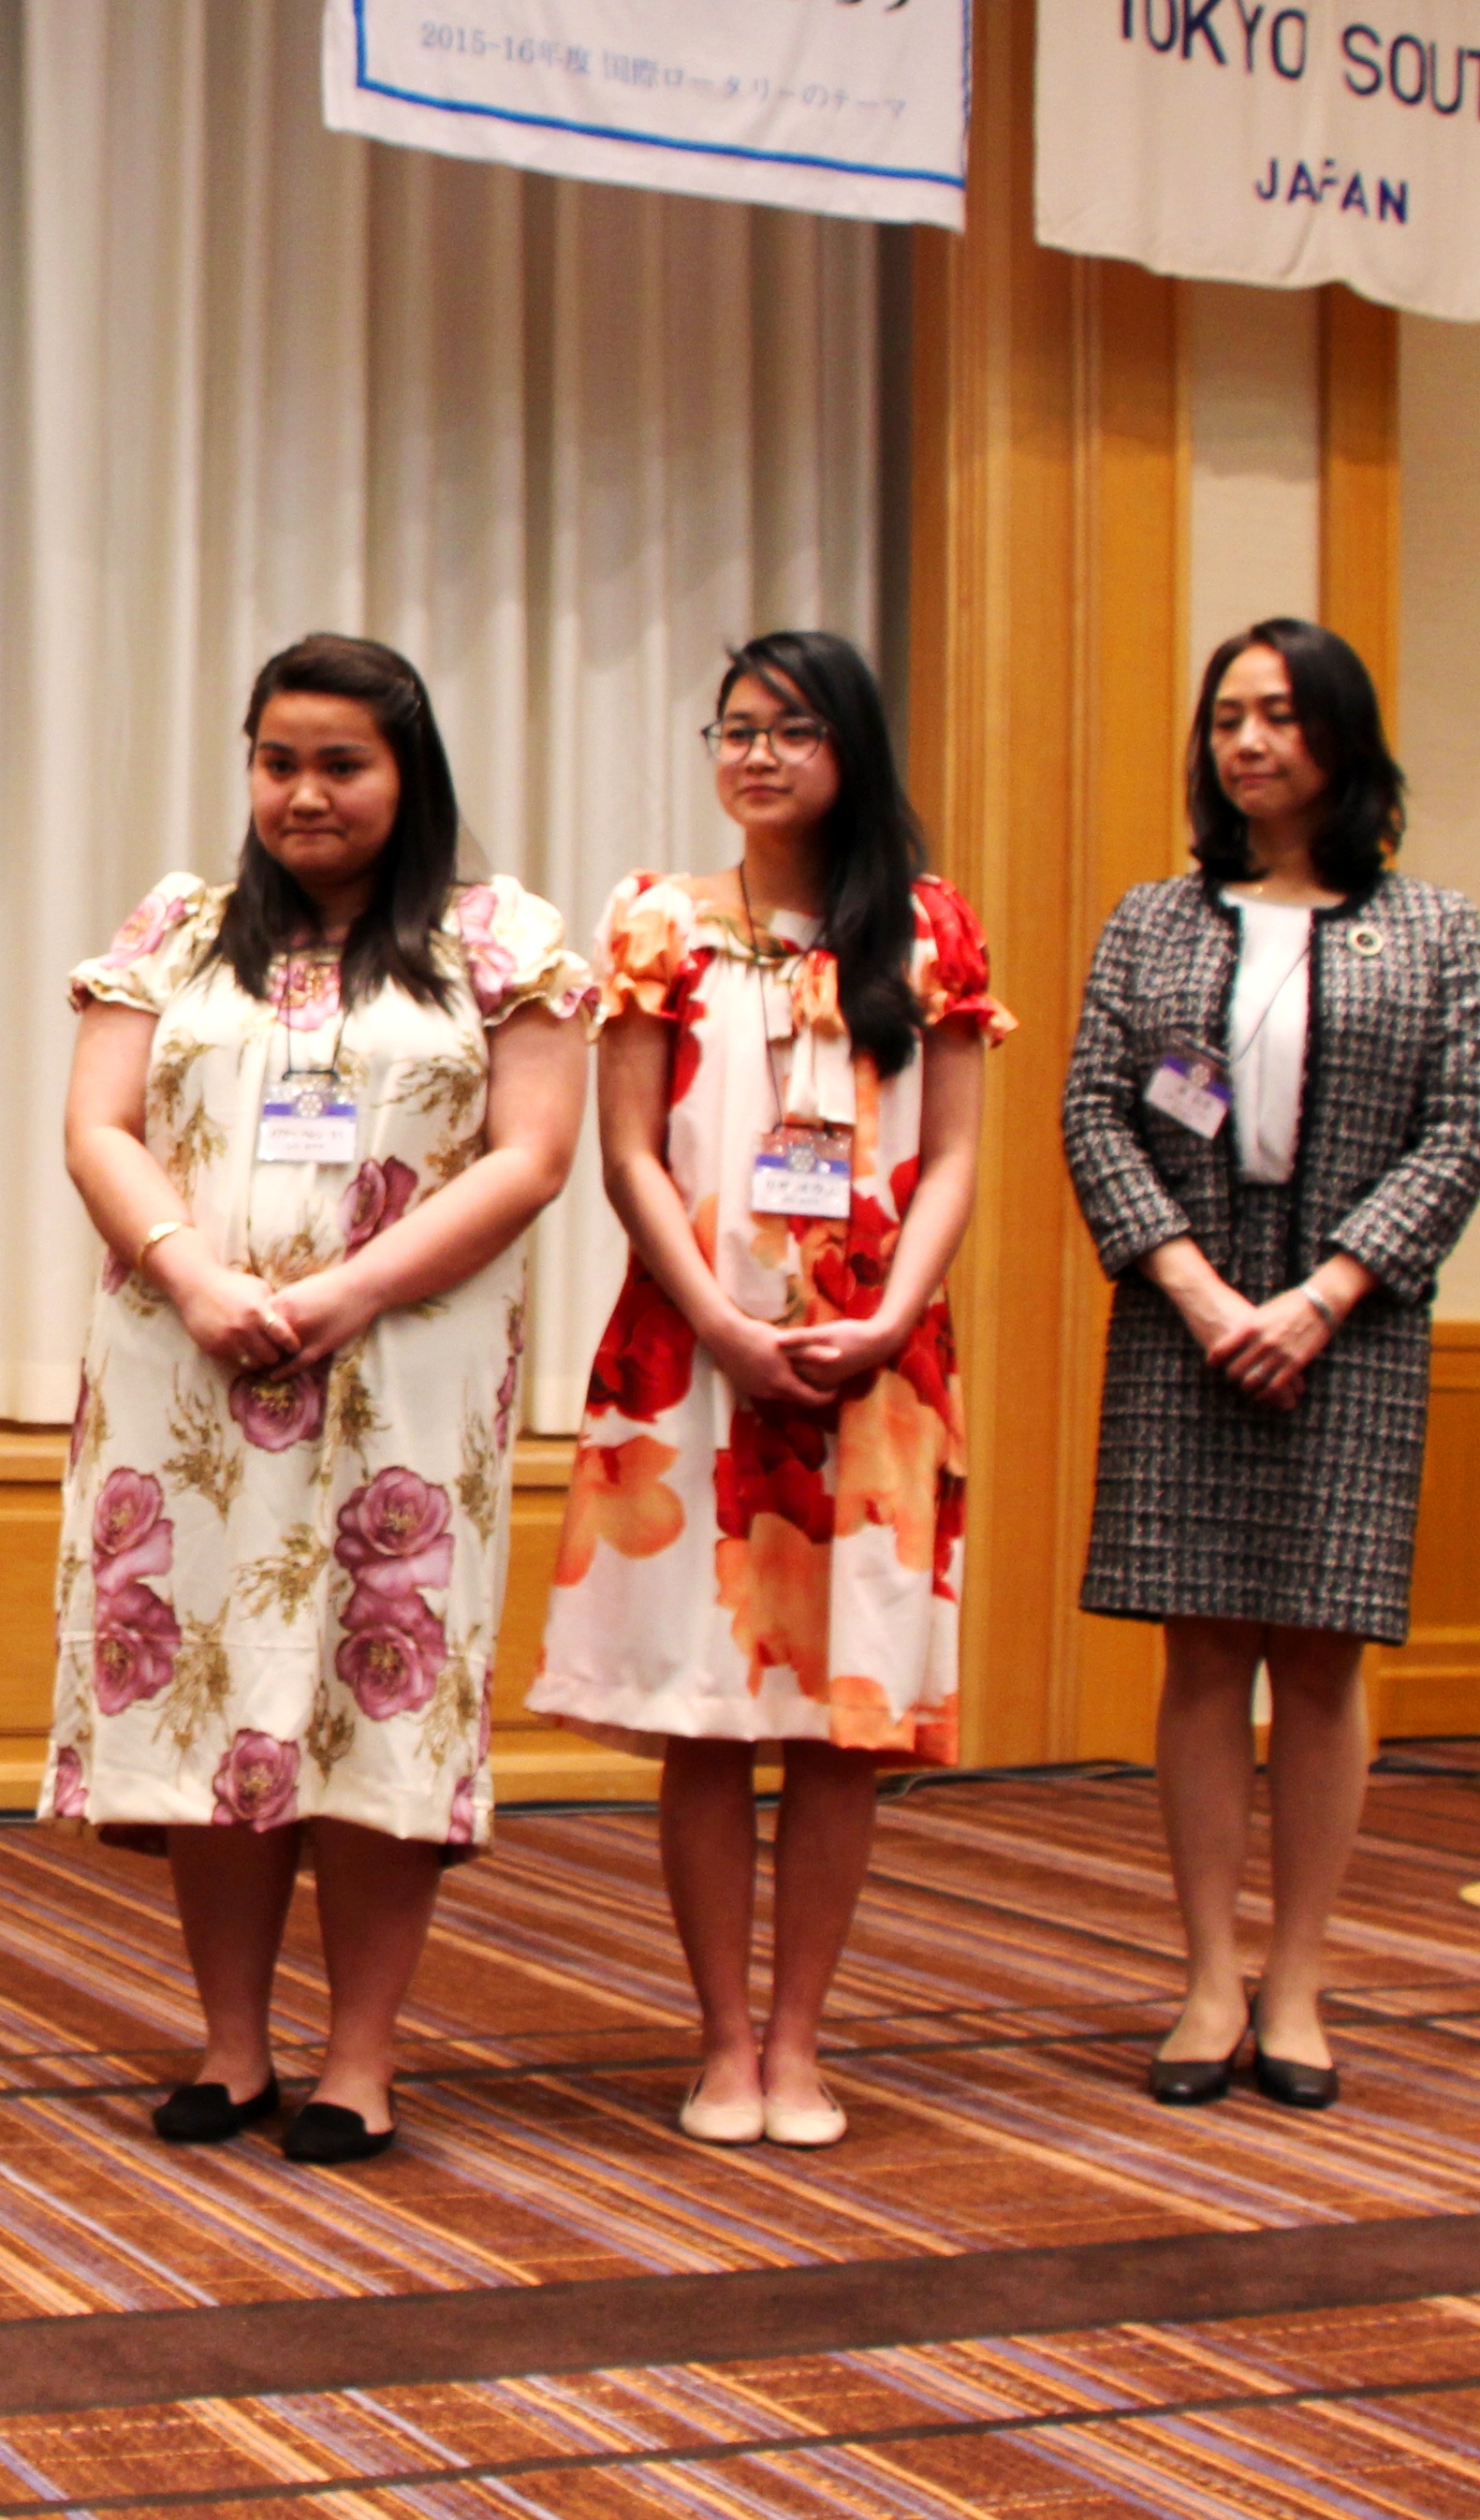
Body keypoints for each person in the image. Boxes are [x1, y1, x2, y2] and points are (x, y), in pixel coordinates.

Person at [43, 634, 587, 2170]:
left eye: (338, 762)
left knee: (372, 1692)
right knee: (211, 1694)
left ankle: (358, 2058)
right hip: (188, 1376)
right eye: (274, 759)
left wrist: (344, 1294)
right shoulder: (177, 925)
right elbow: (95, 1124)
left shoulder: (498, 939)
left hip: (399, 1385)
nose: (301, 791)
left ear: (404, 773)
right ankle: (229, 2046)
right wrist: (194, 1276)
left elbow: (528, 1156)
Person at [527, 633, 1006, 2152]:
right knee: (704, 1719)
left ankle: (800, 2041)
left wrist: (887, 1322)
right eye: (732, 728)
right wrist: (722, 1324)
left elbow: (951, 1162)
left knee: (833, 1724)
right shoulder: (658, 922)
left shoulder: (927, 932)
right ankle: (719, 2040)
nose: (753, 755)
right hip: (685, 1362)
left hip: (873, 1376)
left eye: (788, 730)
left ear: (848, 749)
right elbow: (622, 1155)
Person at [1062, 618, 1480, 2114]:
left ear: (1343, 739)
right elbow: (1099, 1113)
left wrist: (1318, 1299)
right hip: (1187, 1325)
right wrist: (1196, 1289)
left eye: (1281, 717)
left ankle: (1299, 1979)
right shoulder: (1154, 921)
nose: (1249, 743)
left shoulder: (1436, 929)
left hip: (1352, 1331)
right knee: (1197, 1651)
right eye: (1228, 718)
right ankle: (1201, 1975)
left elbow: (1460, 1132)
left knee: (1319, 1658)